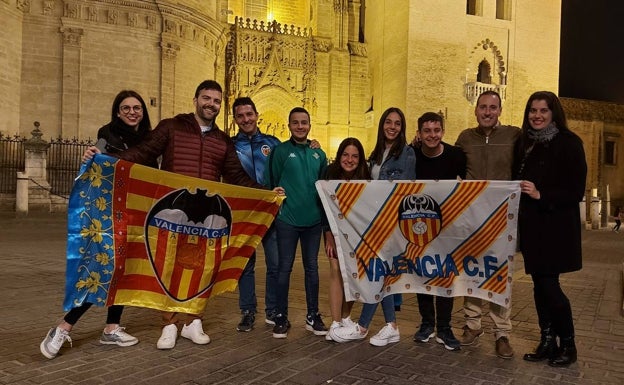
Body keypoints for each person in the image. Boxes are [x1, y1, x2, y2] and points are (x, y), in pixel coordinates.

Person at [82, 80, 282, 350]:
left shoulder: (222, 140)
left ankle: (193, 321)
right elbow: (143, 153)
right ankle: (169, 324)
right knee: (168, 267)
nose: (211, 104)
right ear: (196, 99)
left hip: (207, 215)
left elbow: (236, 176)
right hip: (173, 211)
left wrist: (267, 193)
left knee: (203, 268)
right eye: (206, 98)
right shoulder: (172, 127)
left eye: (216, 100)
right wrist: (104, 159)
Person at [40, 90, 153, 359]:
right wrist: (89, 157)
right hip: (107, 215)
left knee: (125, 270)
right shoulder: (107, 135)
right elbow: (93, 165)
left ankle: (111, 328)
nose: (132, 112)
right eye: (126, 108)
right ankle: (63, 326)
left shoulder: (150, 140)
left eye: (137, 108)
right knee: (104, 269)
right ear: (117, 111)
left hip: (136, 213)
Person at [330, 107, 416, 346]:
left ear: (402, 127)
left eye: (397, 123)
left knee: (378, 272)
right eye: (388, 122)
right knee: (381, 272)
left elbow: (406, 189)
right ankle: (391, 326)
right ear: (381, 125)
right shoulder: (376, 154)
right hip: (374, 222)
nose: (392, 127)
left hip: (391, 222)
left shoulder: (407, 153)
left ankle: (363, 326)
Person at [514, 91, 587, 367]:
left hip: (556, 228)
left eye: (543, 111)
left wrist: (540, 194)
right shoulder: (525, 143)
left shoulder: (569, 143)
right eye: (533, 110)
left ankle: (568, 344)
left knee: (549, 286)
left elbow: (575, 191)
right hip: (533, 227)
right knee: (539, 286)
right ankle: (547, 341)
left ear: (553, 113)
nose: (537, 116)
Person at [455, 90, 520, 359]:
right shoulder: (464, 138)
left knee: (499, 275)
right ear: (475, 110)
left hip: (503, 218)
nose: (487, 112)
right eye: (483, 107)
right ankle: (472, 324)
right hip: (471, 218)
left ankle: (502, 332)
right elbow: (450, 166)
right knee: (471, 271)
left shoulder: (514, 136)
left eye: (493, 107)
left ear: (500, 110)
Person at [265, 107, 329, 339]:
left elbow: (324, 184)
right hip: (287, 220)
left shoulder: (319, 154)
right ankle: (280, 316)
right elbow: (271, 182)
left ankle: (313, 315)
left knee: (312, 269)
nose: (300, 126)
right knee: (284, 268)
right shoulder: (280, 151)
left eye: (304, 122)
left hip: (312, 221)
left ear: (310, 125)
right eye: (295, 123)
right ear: (289, 125)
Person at [410, 112, 466, 351]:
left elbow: (469, 186)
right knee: (422, 273)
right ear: (419, 134)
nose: (432, 135)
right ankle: (426, 323)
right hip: (418, 225)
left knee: (445, 275)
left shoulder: (455, 155)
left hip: (448, 226)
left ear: (442, 132)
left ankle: (444, 327)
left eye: (436, 130)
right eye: (427, 131)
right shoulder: (411, 155)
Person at [230, 97, 281, 331]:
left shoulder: (273, 143)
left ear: (256, 114)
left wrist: (312, 145)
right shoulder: (230, 145)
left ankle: (272, 309)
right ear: (235, 119)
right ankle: (248, 310)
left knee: (275, 264)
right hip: (244, 215)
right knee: (245, 266)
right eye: (240, 116)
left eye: (249, 114)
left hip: (271, 214)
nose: (246, 119)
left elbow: (286, 168)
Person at [323, 138, 371, 341]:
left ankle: (345, 317)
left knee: (353, 276)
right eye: (345, 155)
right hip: (333, 232)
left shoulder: (366, 178)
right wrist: (328, 235)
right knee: (335, 271)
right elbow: (323, 206)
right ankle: (334, 323)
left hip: (356, 234)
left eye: (354, 156)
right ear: (339, 155)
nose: (349, 160)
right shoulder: (329, 174)